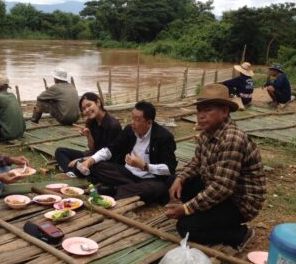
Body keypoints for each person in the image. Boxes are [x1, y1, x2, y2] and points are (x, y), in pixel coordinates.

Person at [165, 84, 266, 250]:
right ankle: (207, 214)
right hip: (218, 188)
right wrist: (180, 178)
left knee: (185, 228)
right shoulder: (207, 133)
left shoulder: (232, 138)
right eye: (199, 111)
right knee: (173, 181)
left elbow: (223, 187)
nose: (201, 116)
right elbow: (197, 162)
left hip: (240, 201)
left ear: (225, 112)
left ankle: (240, 233)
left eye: (208, 110)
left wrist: (187, 208)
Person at [79, 101, 177, 204]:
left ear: (149, 122)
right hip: (127, 174)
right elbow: (112, 148)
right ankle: (123, 189)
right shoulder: (129, 130)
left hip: (150, 179)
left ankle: (114, 190)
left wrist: (144, 166)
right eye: (132, 118)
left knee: (154, 189)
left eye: (137, 120)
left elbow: (169, 169)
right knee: (97, 165)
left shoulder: (163, 137)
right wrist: (90, 160)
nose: (132, 123)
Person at [54, 92, 122, 177]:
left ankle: (71, 170)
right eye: (83, 108)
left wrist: (81, 159)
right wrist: (88, 135)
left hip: (105, 161)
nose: (86, 110)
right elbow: (92, 148)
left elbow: (108, 155)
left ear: (98, 102)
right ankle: (72, 171)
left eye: (89, 105)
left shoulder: (113, 125)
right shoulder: (91, 121)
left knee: (82, 164)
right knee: (60, 151)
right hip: (92, 154)